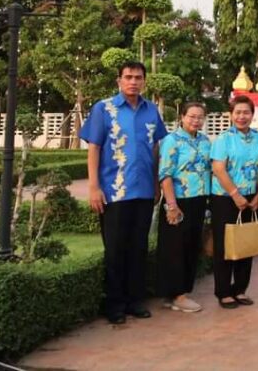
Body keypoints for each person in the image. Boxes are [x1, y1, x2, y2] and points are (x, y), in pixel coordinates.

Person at [82, 61, 168, 325]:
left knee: (138, 248)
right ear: (118, 80)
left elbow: (156, 148)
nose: (133, 82)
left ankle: (135, 301)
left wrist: (156, 183)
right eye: (128, 77)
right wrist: (94, 187)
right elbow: (94, 148)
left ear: (144, 81)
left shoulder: (151, 110)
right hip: (114, 191)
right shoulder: (103, 109)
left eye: (138, 77)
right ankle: (115, 304)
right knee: (115, 250)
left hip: (144, 191)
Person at [156, 101, 212, 314]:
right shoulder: (172, 140)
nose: (196, 121)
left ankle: (179, 293)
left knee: (190, 246)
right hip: (178, 200)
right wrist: (171, 205)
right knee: (174, 248)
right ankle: (177, 295)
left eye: (200, 117)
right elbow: (165, 174)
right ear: (182, 117)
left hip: (199, 199)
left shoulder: (205, 141)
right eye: (192, 116)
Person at [210, 95, 258, 309]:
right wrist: (235, 194)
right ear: (231, 115)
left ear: (252, 114)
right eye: (238, 112)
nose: (242, 116)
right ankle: (223, 291)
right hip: (225, 197)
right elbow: (218, 169)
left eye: (246, 112)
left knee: (246, 242)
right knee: (224, 245)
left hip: (251, 198)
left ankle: (240, 289)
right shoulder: (223, 139)